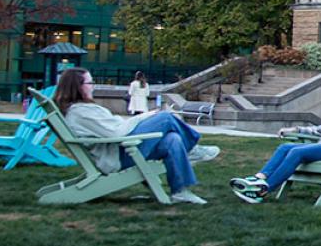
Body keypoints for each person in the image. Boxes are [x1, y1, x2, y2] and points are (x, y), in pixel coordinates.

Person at [54, 67, 219, 205]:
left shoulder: (80, 109)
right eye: (90, 82)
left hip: (118, 150)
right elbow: (117, 132)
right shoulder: (81, 112)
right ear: (77, 86)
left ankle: (180, 191)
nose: (93, 86)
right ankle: (192, 149)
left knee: (172, 140)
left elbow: (114, 127)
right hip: (117, 157)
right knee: (165, 118)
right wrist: (144, 117)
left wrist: (143, 117)